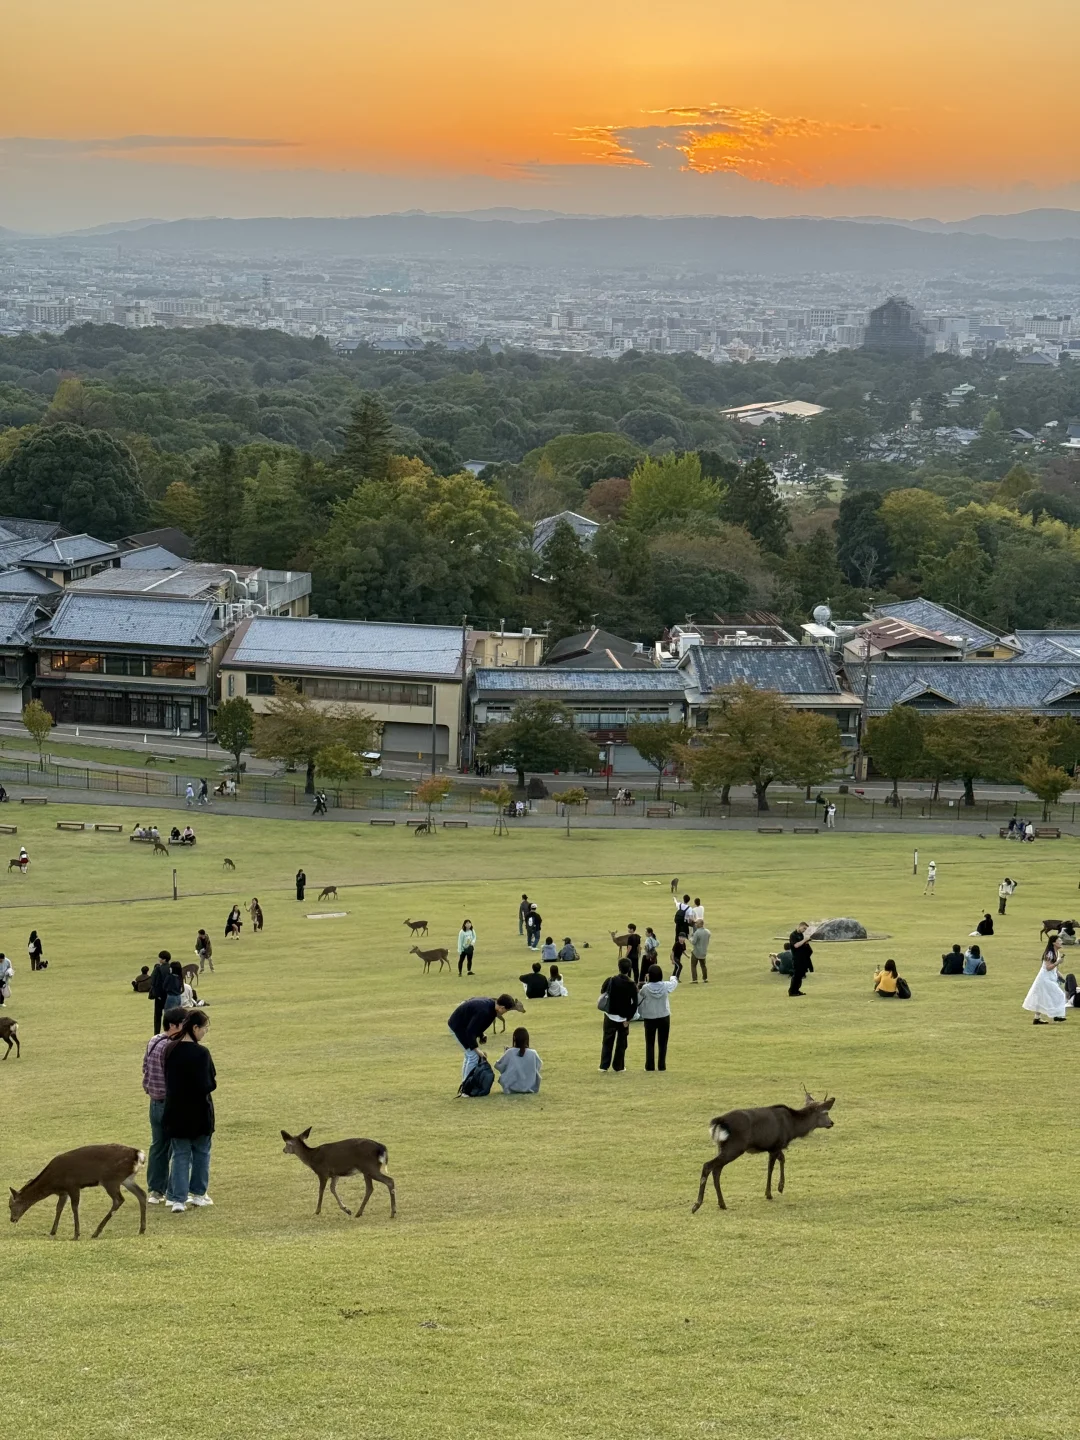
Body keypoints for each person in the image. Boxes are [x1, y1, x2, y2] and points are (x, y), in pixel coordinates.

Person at [163, 1009, 216, 1212]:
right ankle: (198, 1194)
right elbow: (208, 1083)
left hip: (175, 1110)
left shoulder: (170, 1049)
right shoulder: (201, 1053)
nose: (204, 1033)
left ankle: (178, 1198)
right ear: (195, 1028)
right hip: (199, 1110)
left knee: (180, 1154)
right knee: (202, 1152)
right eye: (204, 1029)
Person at [142, 1007, 185, 1204]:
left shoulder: (153, 1040)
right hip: (171, 1103)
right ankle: (174, 1191)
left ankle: (155, 1190)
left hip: (154, 1101)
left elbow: (145, 1068)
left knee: (158, 1146)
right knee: (178, 1147)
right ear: (174, 1025)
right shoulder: (173, 1047)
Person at [447, 993, 524, 1084]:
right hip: (458, 1026)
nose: (505, 1013)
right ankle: (466, 1087)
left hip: (464, 1025)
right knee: (473, 1055)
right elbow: (470, 1031)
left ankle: (465, 1083)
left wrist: (481, 1034)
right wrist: (477, 1049)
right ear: (502, 1008)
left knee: (470, 1055)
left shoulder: (492, 1007)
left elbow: (476, 1023)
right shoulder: (485, 1011)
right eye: (506, 1010)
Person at [599, 957, 638, 1073]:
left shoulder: (611, 980)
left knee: (607, 1040)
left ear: (618, 967)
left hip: (610, 1014)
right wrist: (629, 1018)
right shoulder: (631, 985)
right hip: (623, 1018)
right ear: (629, 969)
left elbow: (603, 991)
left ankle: (604, 1065)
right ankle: (619, 1066)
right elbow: (634, 1004)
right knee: (621, 1042)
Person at [636, 964, 678, 1071]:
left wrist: (646, 981)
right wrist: (673, 977)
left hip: (650, 1017)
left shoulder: (646, 988)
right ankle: (662, 1065)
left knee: (649, 1042)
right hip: (663, 1015)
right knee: (663, 1043)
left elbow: (640, 995)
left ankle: (649, 1066)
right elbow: (674, 983)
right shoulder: (665, 986)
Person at [1023, 942, 1067, 1024]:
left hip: (1050, 978)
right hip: (1045, 979)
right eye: (1059, 940)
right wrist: (1058, 962)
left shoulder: (1057, 953)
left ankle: (1037, 1019)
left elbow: (1055, 969)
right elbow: (1048, 968)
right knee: (1059, 994)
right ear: (1054, 943)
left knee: (1042, 998)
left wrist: (1062, 977)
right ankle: (1057, 1016)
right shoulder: (1049, 953)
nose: (1061, 942)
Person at [494, 1027, 542, 1094]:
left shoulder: (510, 1052)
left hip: (512, 1087)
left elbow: (499, 1066)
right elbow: (538, 1067)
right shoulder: (533, 1053)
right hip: (530, 1086)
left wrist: (506, 1055)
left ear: (514, 1039)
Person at [149, 950, 174, 1034]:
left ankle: (156, 1033)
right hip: (170, 995)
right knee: (170, 1015)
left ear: (163, 959)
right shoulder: (172, 968)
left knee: (158, 1016)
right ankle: (169, 1032)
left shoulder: (158, 969)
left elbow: (153, 981)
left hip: (160, 996)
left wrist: (157, 994)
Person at [788, 922, 814, 997]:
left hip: (802, 958)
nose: (804, 930)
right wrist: (804, 940)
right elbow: (796, 945)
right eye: (804, 928)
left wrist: (806, 942)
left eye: (805, 929)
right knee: (796, 975)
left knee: (800, 975)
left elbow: (801, 944)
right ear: (800, 926)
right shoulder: (793, 935)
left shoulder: (801, 935)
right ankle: (792, 991)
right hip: (796, 958)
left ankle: (797, 990)